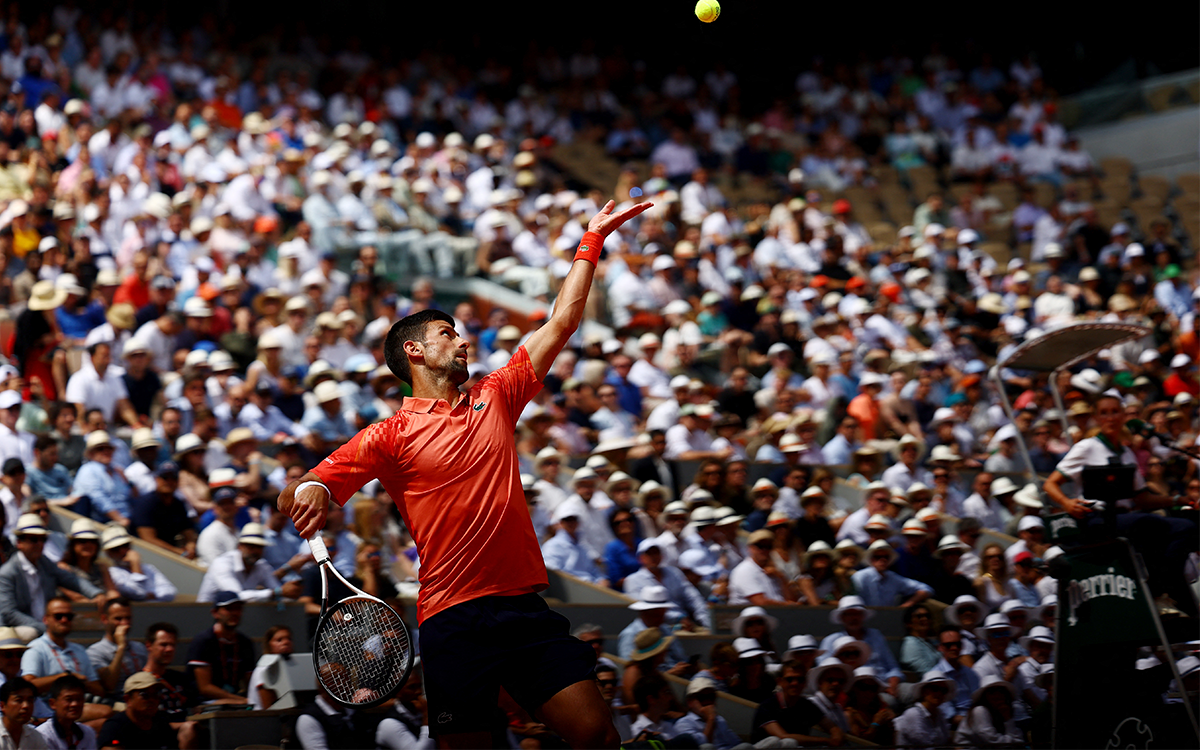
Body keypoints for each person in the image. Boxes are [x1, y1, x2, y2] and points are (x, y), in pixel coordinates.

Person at [277, 198, 651, 749]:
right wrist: (309, 489)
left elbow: (563, 321)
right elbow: (298, 490)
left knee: (597, 735)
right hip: (452, 620)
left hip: (523, 608)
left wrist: (591, 241)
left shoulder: (497, 394)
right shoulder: (388, 435)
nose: (463, 339)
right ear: (416, 351)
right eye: (448, 333)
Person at [1043, 390, 1199, 615]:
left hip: (1126, 519)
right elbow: (1050, 484)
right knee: (1147, 524)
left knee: (1188, 528)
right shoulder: (1087, 447)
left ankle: (1166, 589)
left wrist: (1175, 499)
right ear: (1096, 418)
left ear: (1123, 415)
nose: (1110, 417)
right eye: (1104, 413)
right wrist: (1067, 504)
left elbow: (1141, 498)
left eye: (1115, 412)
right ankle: (1159, 591)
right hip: (1096, 520)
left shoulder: (1126, 452)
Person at [0, 515, 102, 639]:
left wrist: (96, 593)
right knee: (30, 633)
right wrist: (43, 628)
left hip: (47, 628)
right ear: (19, 543)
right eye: (33, 539)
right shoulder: (7, 573)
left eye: (43, 539)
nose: (39, 544)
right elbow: (9, 613)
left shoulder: (44, 563)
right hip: (18, 630)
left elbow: (71, 579)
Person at [19, 598, 108, 724]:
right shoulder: (35, 649)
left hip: (80, 702)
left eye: (69, 616)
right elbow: (27, 686)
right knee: (106, 715)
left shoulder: (79, 650)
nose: (64, 620)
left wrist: (81, 682)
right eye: (58, 616)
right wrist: (65, 677)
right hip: (50, 708)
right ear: (45, 619)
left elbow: (99, 690)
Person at [196, 523, 303, 604]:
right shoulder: (222, 563)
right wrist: (276, 592)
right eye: (250, 546)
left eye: (259, 547)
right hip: (207, 614)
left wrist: (290, 592)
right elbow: (235, 596)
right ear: (240, 547)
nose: (255, 551)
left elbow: (277, 590)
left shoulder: (262, 566)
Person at [622, 539, 711, 631]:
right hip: (653, 628)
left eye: (656, 553)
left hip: (685, 623)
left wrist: (705, 619)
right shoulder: (633, 580)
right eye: (649, 554)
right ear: (641, 558)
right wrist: (679, 618)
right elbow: (646, 609)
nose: (653, 557)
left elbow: (692, 597)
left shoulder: (674, 573)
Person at [750, 659, 841, 746]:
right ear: (780, 681)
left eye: (800, 680)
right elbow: (782, 737)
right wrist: (826, 741)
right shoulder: (767, 707)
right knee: (786, 743)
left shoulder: (807, 706)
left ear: (805, 682)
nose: (795, 683)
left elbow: (832, 727)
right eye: (790, 679)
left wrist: (836, 736)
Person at [185, 592, 256, 705]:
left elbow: (250, 682)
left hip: (236, 700)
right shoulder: (204, 641)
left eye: (238, 609)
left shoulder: (245, 642)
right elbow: (205, 688)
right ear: (215, 613)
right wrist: (239, 700)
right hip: (203, 703)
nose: (234, 613)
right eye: (228, 609)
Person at [296, 664, 377, 750]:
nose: (348, 684)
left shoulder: (355, 712)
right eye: (340, 679)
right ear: (325, 686)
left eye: (347, 678)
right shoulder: (309, 719)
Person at [85, 598, 149, 703]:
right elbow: (109, 685)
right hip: (117, 701)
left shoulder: (139, 648)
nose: (124, 623)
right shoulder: (95, 652)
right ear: (105, 619)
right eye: (118, 619)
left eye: (128, 618)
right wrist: (121, 647)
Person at [96, 673, 177, 750]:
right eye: (145, 695)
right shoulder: (114, 727)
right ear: (128, 700)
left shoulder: (161, 723)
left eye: (155, 695)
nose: (152, 700)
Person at [850, 540, 933, 607]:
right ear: (871, 559)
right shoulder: (860, 577)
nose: (882, 560)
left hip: (888, 620)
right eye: (877, 557)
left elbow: (926, 589)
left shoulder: (893, 577)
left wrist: (906, 605)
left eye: (886, 557)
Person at [673, 677, 744, 750]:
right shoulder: (684, 724)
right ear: (690, 702)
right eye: (702, 698)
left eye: (711, 697)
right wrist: (710, 720)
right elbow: (701, 746)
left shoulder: (719, 720)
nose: (708, 702)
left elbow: (736, 743)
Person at [375, 662, 433, 750]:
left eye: (419, 686)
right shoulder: (389, 724)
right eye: (412, 687)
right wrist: (427, 716)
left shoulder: (418, 713)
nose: (419, 692)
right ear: (397, 692)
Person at [952, 676, 1025, 747]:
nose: (997, 695)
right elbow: (994, 742)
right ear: (984, 696)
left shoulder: (1004, 711)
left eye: (1001, 691)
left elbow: (1019, 740)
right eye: (992, 692)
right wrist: (1012, 741)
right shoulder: (980, 710)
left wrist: (1008, 718)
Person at [893, 671, 956, 748]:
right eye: (935, 689)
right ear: (924, 691)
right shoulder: (913, 714)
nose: (939, 693)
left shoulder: (940, 715)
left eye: (943, 691)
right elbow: (925, 746)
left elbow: (948, 742)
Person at [34, 675, 94, 750]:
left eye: (79, 699)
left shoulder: (88, 732)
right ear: (53, 703)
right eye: (69, 699)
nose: (75, 704)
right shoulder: (43, 734)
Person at [247, 626, 294, 710]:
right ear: (269, 644)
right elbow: (268, 707)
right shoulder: (263, 669)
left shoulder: (291, 667)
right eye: (279, 640)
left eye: (289, 639)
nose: (286, 642)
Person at [0, 677, 45, 750]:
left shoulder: (35, 737)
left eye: (30, 701)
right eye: (19, 700)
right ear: (2, 706)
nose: (26, 706)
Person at [899, 604, 940, 673]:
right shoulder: (911, 643)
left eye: (927, 616)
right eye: (919, 616)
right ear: (909, 623)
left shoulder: (932, 642)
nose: (925, 619)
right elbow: (924, 671)